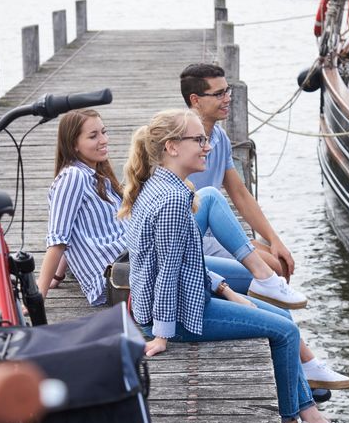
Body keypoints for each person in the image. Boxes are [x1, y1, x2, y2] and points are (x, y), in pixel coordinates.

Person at [119, 108, 349, 423]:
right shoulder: (174, 200)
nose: (207, 146)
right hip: (182, 317)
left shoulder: (161, 185)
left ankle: (313, 419)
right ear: (172, 147)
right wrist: (160, 334)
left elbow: (184, 263)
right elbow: (169, 272)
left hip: (182, 303)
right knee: (283, 332)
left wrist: (229, 291)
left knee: (278, 316)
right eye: (198, 140)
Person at [179, 63, 349, 391]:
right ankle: (303, 365)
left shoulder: (218, 137)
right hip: (188, 240)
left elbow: (241, 195)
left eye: (227, 90)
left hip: (208, 234)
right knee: (270, 270)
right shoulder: (181, 140)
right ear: (195, 100)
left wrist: (275, 240)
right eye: (218, 93)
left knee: (279, 262)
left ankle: (297, 359)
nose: (227, 98)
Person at [37, 109, 303, 312]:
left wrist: (60, 275)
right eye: (93, 136)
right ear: (73, 144)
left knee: (210, 200)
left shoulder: (97, 176)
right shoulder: (72, 177)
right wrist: (38, 298)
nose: (104, 140)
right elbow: (58, 239)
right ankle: (267, 284)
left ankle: (304, 362)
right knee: (256, 271)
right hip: (125, 274)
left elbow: (72, 232)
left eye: (104, 132)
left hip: (140, 255)